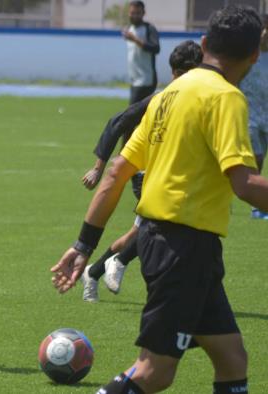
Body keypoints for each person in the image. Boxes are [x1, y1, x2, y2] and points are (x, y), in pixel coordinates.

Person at [51, 5, 267, 393]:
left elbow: (117, 171)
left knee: (231, 356)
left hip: (160, 240)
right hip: (184, 247)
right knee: (154, 372)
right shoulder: (226, 98)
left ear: (203, 45)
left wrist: (84, 242)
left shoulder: (170, 94)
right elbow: (245, 183)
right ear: (256, 53)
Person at [79, 40, 203, 302]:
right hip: (145, 173)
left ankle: (94, 271)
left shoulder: (196, 99)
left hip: (168, 174)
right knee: (160, 226)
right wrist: (98, 167)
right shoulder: (162, 98)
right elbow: (117, 122)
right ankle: (120, 262)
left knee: (142, 232)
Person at [240, 14, 268, 220]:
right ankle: (257, 207)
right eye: (264, 29)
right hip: (251, 116)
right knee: (256, 160)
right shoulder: (247, 55)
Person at [123, 1, 160, 105]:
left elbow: (156, 48)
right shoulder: (130, 29)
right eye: (132, 13)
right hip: (134, 79)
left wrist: (135, 39)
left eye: (137, 13)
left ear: (143, 13)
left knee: (132, 115)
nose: (134, 16)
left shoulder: (149, 29)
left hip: (146, 80)